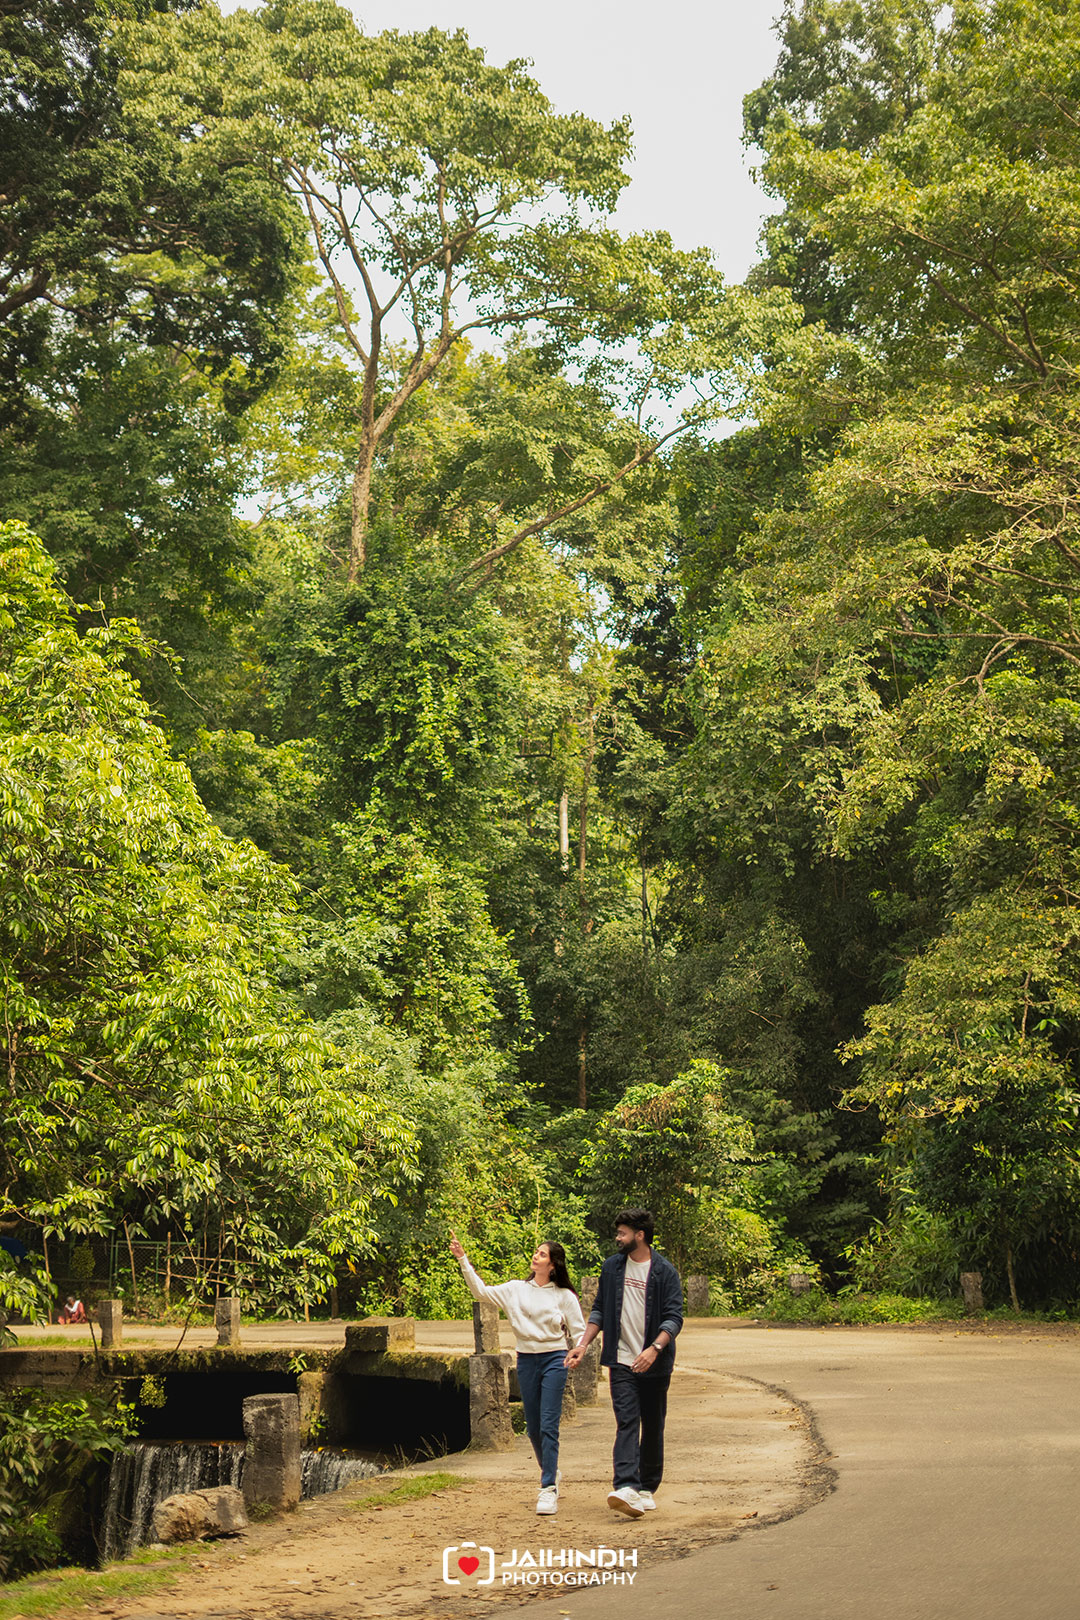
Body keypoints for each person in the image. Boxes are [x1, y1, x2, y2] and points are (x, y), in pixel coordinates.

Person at [450, 1230, 586, 1516]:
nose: (535, 1256)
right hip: (526, 1360)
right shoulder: (515, 1289)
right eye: (536, 1252)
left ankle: (548, 1488)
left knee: (549, 1425)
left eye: (542, 1254)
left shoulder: (564, 1296)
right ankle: (550, 1471)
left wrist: (578, 1350)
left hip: (555, 1359)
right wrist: (463, 1259)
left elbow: (580, 1332)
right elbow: (480, 1292)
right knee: (533, 1427)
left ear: (553, 1265)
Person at [564, 1207, 682, 1519]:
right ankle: (627, 1485)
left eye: (622, 1233)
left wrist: (654, 1349)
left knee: (653, 1424)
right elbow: (600, 1310)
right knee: (627, 1421)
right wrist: (582, 1344)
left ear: (639, 1235)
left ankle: (647, 1487)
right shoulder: (612, 1267)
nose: (617, 1238)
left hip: (655, 1362)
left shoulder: (665, 1271)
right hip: (621, 1361)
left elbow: (674, 1318)